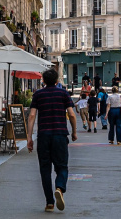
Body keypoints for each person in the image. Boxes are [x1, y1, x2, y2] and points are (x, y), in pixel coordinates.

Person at [26, 69, 77, 213]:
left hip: (43, 136)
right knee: (62, 166)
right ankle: (59, 187)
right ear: (57, 80)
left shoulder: (38, 94)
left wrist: (29, 138)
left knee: (45, 169)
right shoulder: (63, 93)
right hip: (60, 135)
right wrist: (73, 131)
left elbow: (32, 116)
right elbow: (72, 114)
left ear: (43, 80)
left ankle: (49, 203)